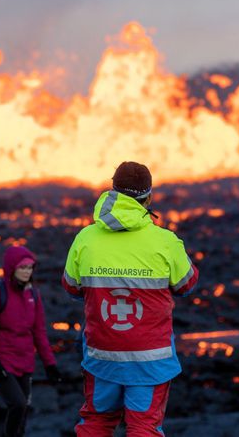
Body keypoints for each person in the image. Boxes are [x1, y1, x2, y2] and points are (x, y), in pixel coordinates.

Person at [62, 161, 199, 436]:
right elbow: (187, 284)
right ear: (148, 198)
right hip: (150, 360)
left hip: (102, 357)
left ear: (112, 192)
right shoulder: (165, 241)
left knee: (96, 423)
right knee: (143, 427)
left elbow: (71, 287)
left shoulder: (85, 238)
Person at [0, 245, 62, 437]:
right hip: (1, 362)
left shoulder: (33, 294)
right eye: (22, 267)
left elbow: (39, 331)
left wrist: (50, 364)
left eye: (30, 267)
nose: (27, 272)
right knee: (17, 404)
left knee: (23, 410)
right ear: (11, 268)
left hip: (25, 362)